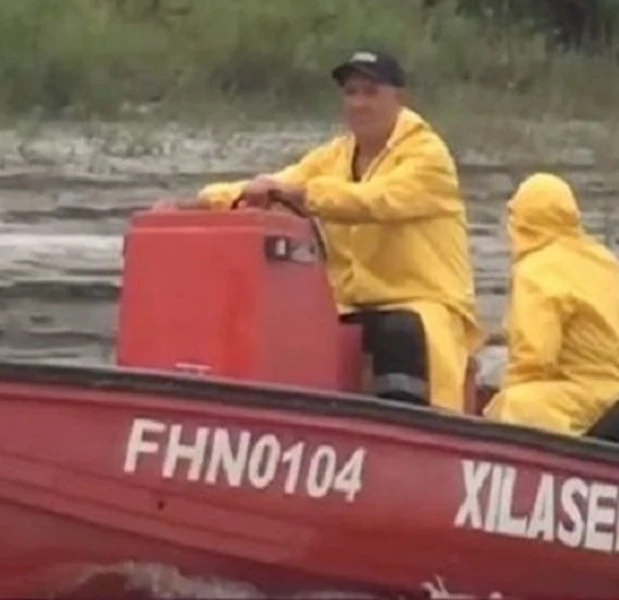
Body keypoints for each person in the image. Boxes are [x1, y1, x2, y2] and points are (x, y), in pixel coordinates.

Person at [158, 50, 482, 412]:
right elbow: (274, 183)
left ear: (399, 98)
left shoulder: (428, 156)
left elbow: (375, 201)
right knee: (293, 327)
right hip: (353, 303)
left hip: (423, 301)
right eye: (351, 93)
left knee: (400, 329)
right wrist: (202, 201)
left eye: (370, 92)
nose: (358, 103)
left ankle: (408, 426)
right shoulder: (335, 155)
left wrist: (304, 194)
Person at [483, 172, 619, 436]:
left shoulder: (537, 270)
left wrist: (504, 394)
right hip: (617, 396)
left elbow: (535, 357)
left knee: (514, 403)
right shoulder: (606, 262)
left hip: (575, 397)